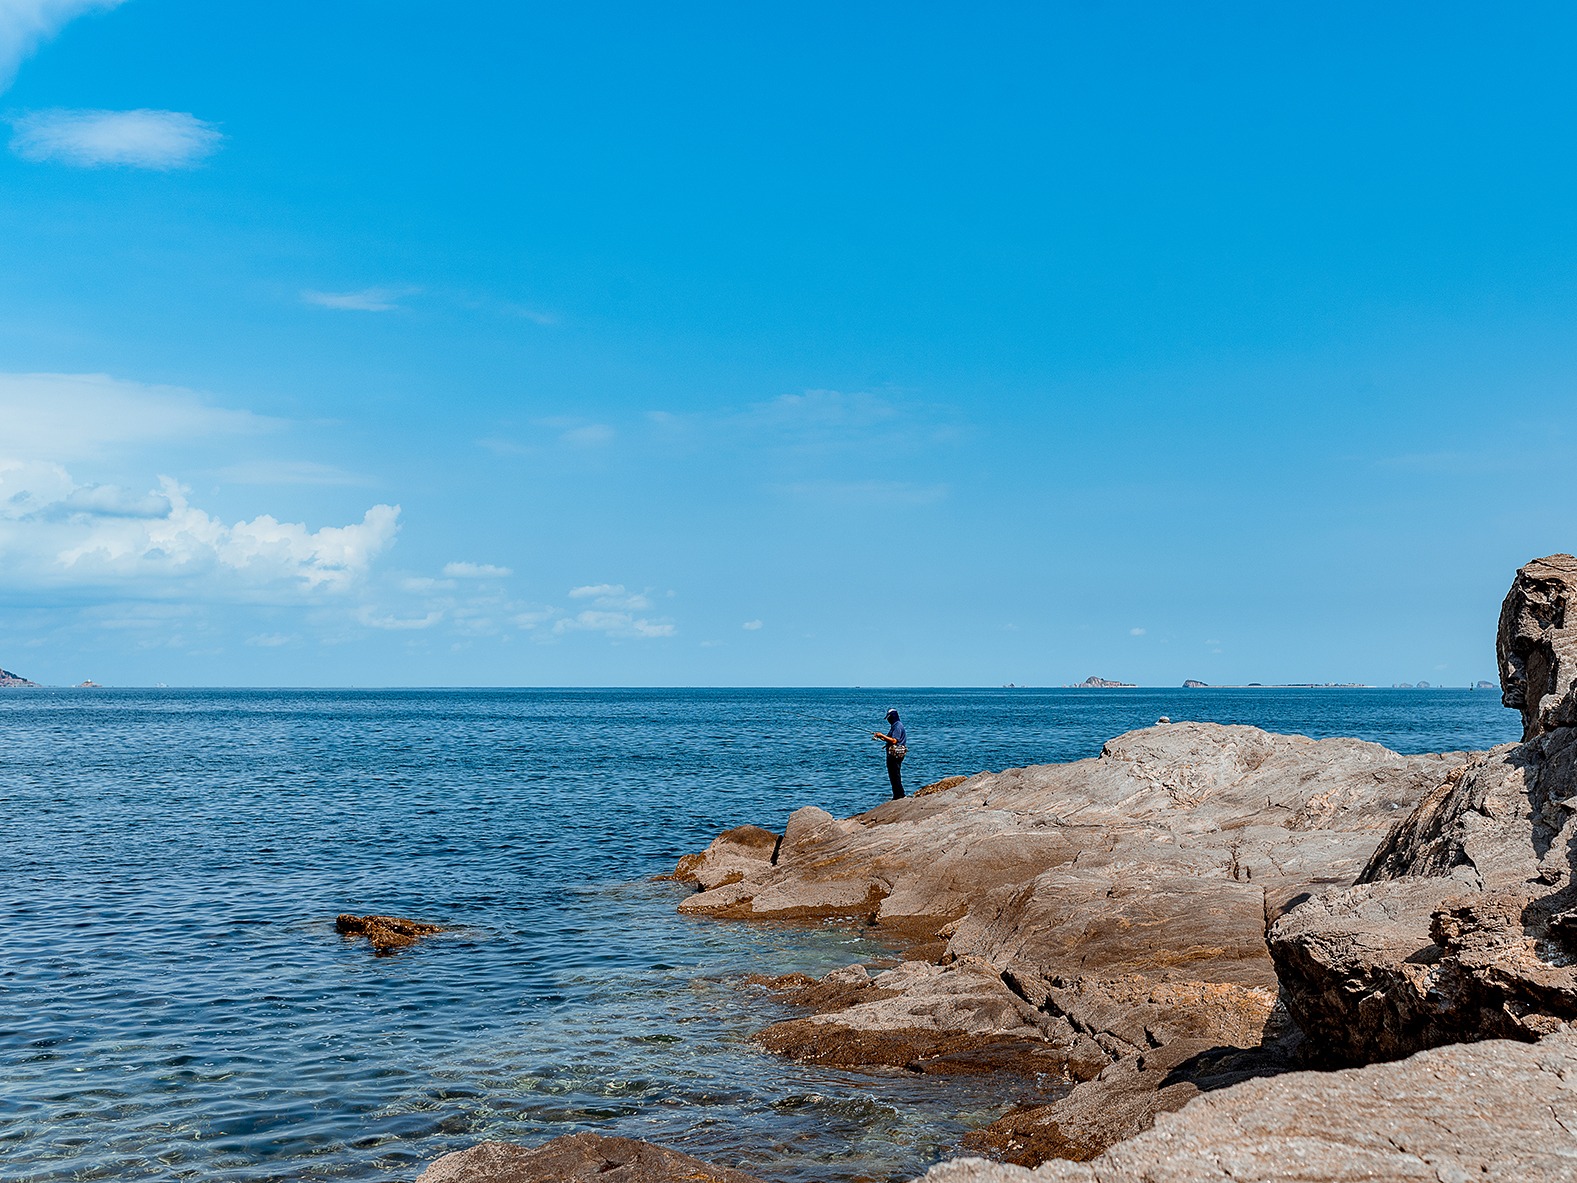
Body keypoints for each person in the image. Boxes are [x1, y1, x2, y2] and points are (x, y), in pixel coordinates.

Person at [872, 708, 907, 799]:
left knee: (895, 774)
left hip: (895, 754)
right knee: (894, 774)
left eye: (889, 718)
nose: (888, 720)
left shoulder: (897, 726)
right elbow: (889, 739)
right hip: (894, 753)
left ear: (893, 717)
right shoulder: (895, 725)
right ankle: (897, 794)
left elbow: (894, 740)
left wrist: (882, 735)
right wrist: (880, 736)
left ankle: (899, 795)